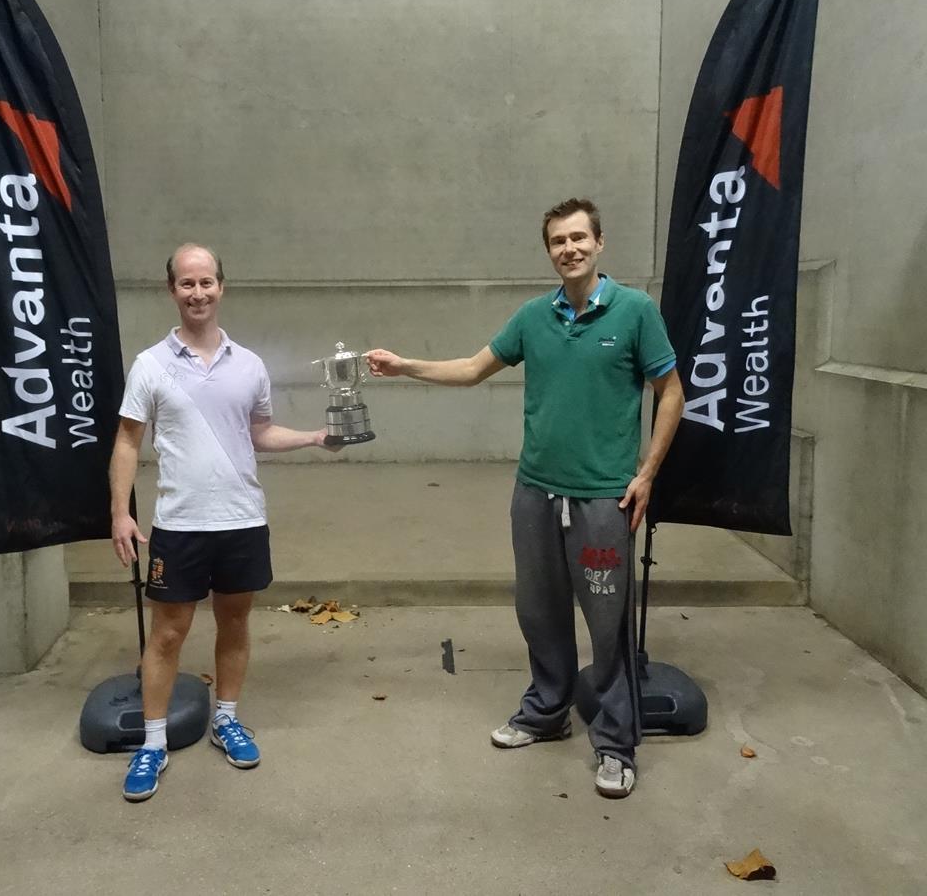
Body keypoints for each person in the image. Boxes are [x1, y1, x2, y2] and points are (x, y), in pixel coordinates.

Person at [366, 198, 684, 799]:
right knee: (539, 613)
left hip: (602, 501)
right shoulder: (534, 317)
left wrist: (646, 473)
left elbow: (671, 392)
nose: (569, 249)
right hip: (535, 492)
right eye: (558, 241)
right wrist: (405, 365)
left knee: (607, 623)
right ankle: (546, 713)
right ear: (549, 251)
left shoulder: (636, 311)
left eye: (578, 238)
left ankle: (616, 745)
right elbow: (471, 368)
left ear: (599, 242)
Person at [110, 243, 339, 802]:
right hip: (180, 525)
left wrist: (312, 437)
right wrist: (120, 512)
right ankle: (154, 742)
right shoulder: (151, 365)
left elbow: (259, 432)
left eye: (206, 282)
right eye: (187, 284)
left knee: (234, 625)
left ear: (221, 287)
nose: (198, 293)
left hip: (242, 520)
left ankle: (227, 719)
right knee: (168, 634)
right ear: (172, 291)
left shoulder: (249, 365)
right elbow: (127, 440)